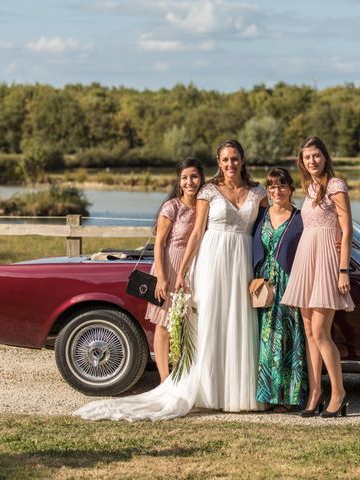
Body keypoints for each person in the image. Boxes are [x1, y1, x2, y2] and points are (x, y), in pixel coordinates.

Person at [75, 140, 267, 420]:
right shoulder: (208, 191)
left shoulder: (258, 193)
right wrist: (184, 271)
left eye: (235, 159)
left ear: (243, 159)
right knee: (209, 322)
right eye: (225, 159)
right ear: (218, 161)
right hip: (212, 262)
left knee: (239, 322)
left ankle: (236, 392)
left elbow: (268, 227)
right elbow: (197, 234)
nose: (230, 164)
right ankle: (207, 389)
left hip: (241, 263)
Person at [281, 136, 354, 418]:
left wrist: (343, 269)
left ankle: (339, 393)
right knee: (309, 333)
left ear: (325, 157)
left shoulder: (335, 186)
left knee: (322, 333)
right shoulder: (309, 188)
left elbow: (347, 230)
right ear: (302, 161)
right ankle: (314, 392)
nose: (312, 161)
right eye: (307, 157)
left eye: (316, 155)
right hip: (305, 261)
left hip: (326, 262)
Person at [252, 168, 307, 412]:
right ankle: (269, 394)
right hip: (264, 285)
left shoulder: (300, 217)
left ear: (291, 189)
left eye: (282, 186)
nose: (277, 191)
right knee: (267, 339)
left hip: (289, 282)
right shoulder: (260, 215)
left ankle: (289, 397)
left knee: (288, 340)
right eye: (272, 187)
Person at [146, 158, 203, 383]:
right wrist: (161, 277)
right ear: (179, 182)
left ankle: (182, 373)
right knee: (164, 322)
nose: (190, 182)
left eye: (194, 176)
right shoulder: (172, 207)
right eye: (185, 177)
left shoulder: (203, 205)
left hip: (193, 268)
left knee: (185, 323)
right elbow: (159, 243)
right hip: (169, 266)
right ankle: (164, 378)